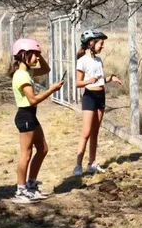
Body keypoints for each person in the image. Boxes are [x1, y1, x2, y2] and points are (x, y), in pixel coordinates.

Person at [8, 38, 66, 203]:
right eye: (33, 55)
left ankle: (31, 185)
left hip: (31, 116)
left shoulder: (27, 72)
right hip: (25, 115)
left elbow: (46, 69)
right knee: (25, 155)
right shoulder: (21, 75)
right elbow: (33, 100)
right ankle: (20, 191)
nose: (36, 59)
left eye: (37, 56)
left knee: (43, 149)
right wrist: (52, 90)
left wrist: (39, 55)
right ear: (23, 55)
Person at [74, 29, 123, 176]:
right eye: (101, 44)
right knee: (86, 132)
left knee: (95, 132)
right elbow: (78, 83)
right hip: (89, 97)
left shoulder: (98, 60)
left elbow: (100, 79)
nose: (103, 46)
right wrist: (88, 81)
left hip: (101, 96)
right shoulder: (82, 61)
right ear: (91, 43)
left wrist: (110, 79)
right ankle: (78, 166)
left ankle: (92, 163)